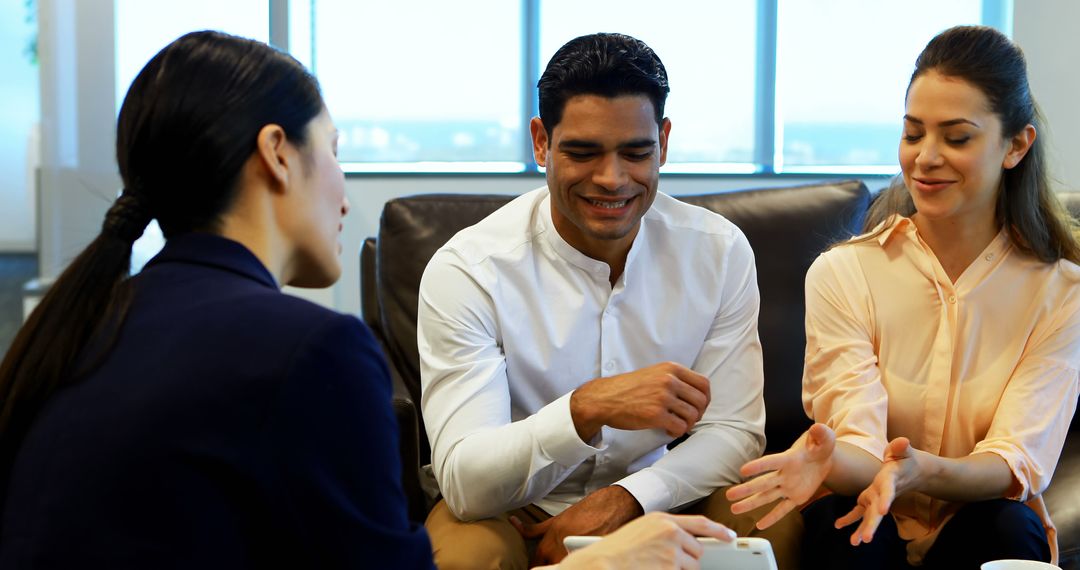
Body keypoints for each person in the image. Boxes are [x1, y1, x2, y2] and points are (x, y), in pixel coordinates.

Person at [0, 31, 730, 569]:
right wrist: (595, 564)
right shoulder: (309, 351)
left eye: (635, 151)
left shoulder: (79, 326)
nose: (344, 190)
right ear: (279, 153)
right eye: (337, 150)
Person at [417, 32, 802, 569]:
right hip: (514, 506)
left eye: (635, 152)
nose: (612, 179)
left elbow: (735, 433)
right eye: (582, 152)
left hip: (662, 492)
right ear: (541, 142)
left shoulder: (718, 251)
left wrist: (629, 498)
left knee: (768, 517)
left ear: (663, 142)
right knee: (468, 556)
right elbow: (466, 482)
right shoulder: (469, 271)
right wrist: (585, 407)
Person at [726, 25, 1080, 569]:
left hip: (982, 514)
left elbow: (1016, 461)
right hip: (866, 510)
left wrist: (922, 470)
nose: (926, 158)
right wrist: (827, 460)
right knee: (849, 526)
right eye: (914, 134)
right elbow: (861, 442)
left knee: (1007, 526)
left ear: (1016, 145)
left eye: (956, 137)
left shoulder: (1062, 292)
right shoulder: (844, 272)